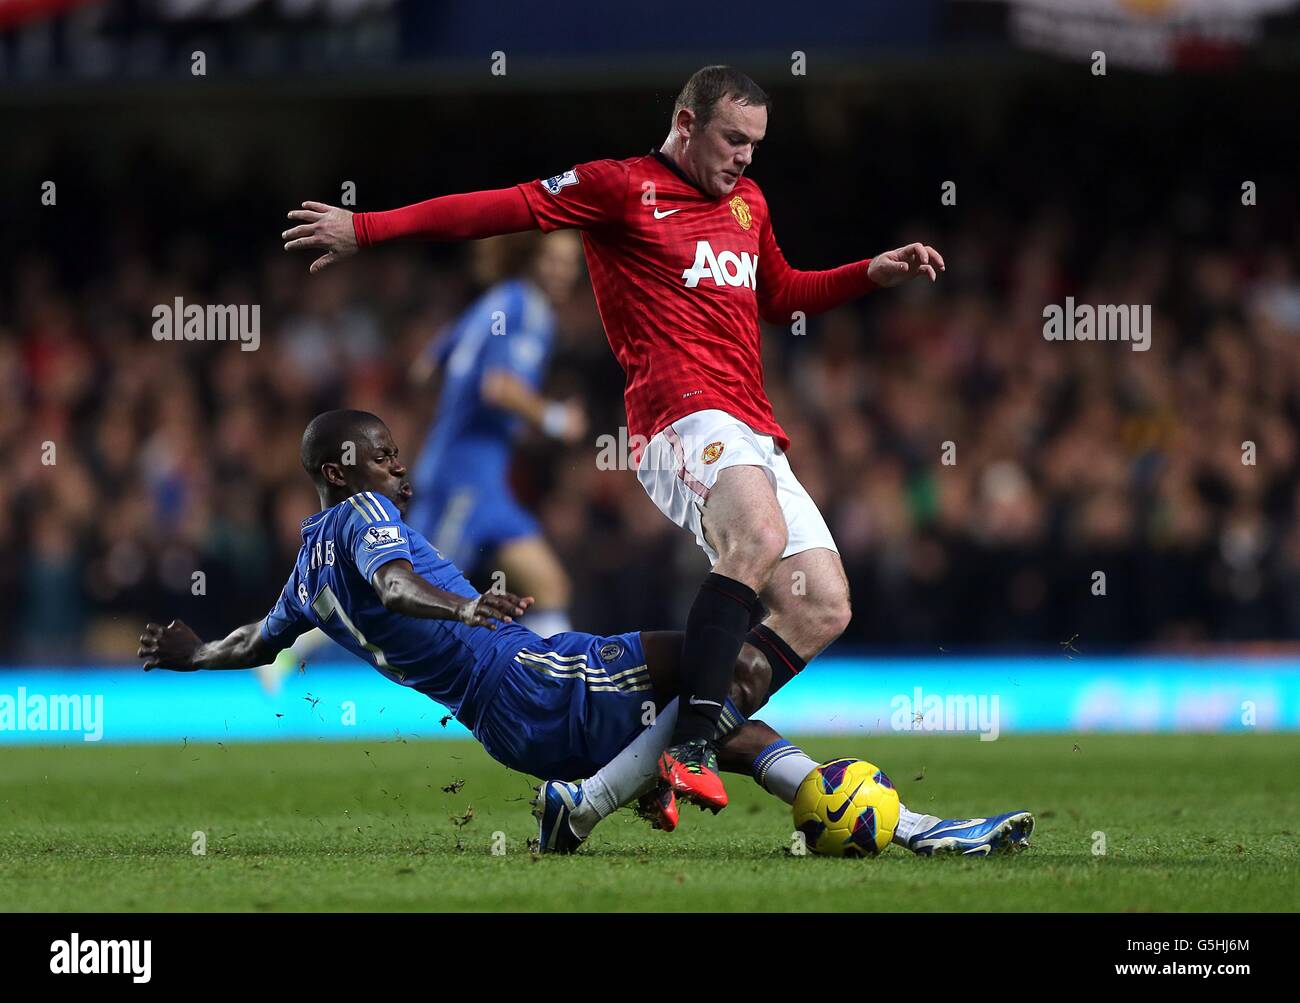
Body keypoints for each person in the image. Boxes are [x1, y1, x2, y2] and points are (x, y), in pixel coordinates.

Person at [281, 65, 945, 822]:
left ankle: (605, 789)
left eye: (756, 145)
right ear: (686, 124)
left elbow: (781, 294)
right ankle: (689, 746)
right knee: (755, 538)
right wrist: (365, 227)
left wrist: (870, 272)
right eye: (733, 139)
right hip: (676, 421)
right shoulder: (620, 187)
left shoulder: (748, 205)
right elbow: (499, 209)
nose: (745, 158)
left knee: (823, 605)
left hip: (753, 427)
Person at [137, 410, 1034, 857]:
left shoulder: (304, 570)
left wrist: (192, 657)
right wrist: (462, 607)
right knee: (720, 662)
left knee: (715, 708)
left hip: (506, 723)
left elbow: (258, 639)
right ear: (340, 470)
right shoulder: (359, 517)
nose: (396, 462)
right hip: (533, 675)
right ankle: (592, 799)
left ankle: (905, 822)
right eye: (380, 452)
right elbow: (397, 579)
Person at [406, 231, 586, 638]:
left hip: (485, 480)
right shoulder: (527, 308)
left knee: (548, 585)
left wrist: (464, 413)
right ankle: (297, 646)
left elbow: (423, 368)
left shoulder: (492, 302)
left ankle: (549, 688)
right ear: (529, 258)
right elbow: (498, 386)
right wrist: (556, 418)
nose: (563, 271)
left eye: (570, 262)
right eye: (553, 259)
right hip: (462, 479)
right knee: (417, 596)